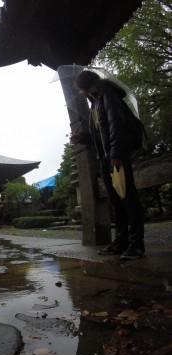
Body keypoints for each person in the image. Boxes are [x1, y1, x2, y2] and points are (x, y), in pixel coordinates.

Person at [71, 70, 145, 260]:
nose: (80, 94)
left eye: (80, 90)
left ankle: (136, 244)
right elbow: (100, 134)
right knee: (116, 201)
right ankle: (121, 241)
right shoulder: (95, 103)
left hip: (115, 155)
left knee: (128, 199)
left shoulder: (107, 94)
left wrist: (117, 153)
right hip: (105, 157)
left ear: (86, 86)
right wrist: (84, 138)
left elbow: (115, 123)